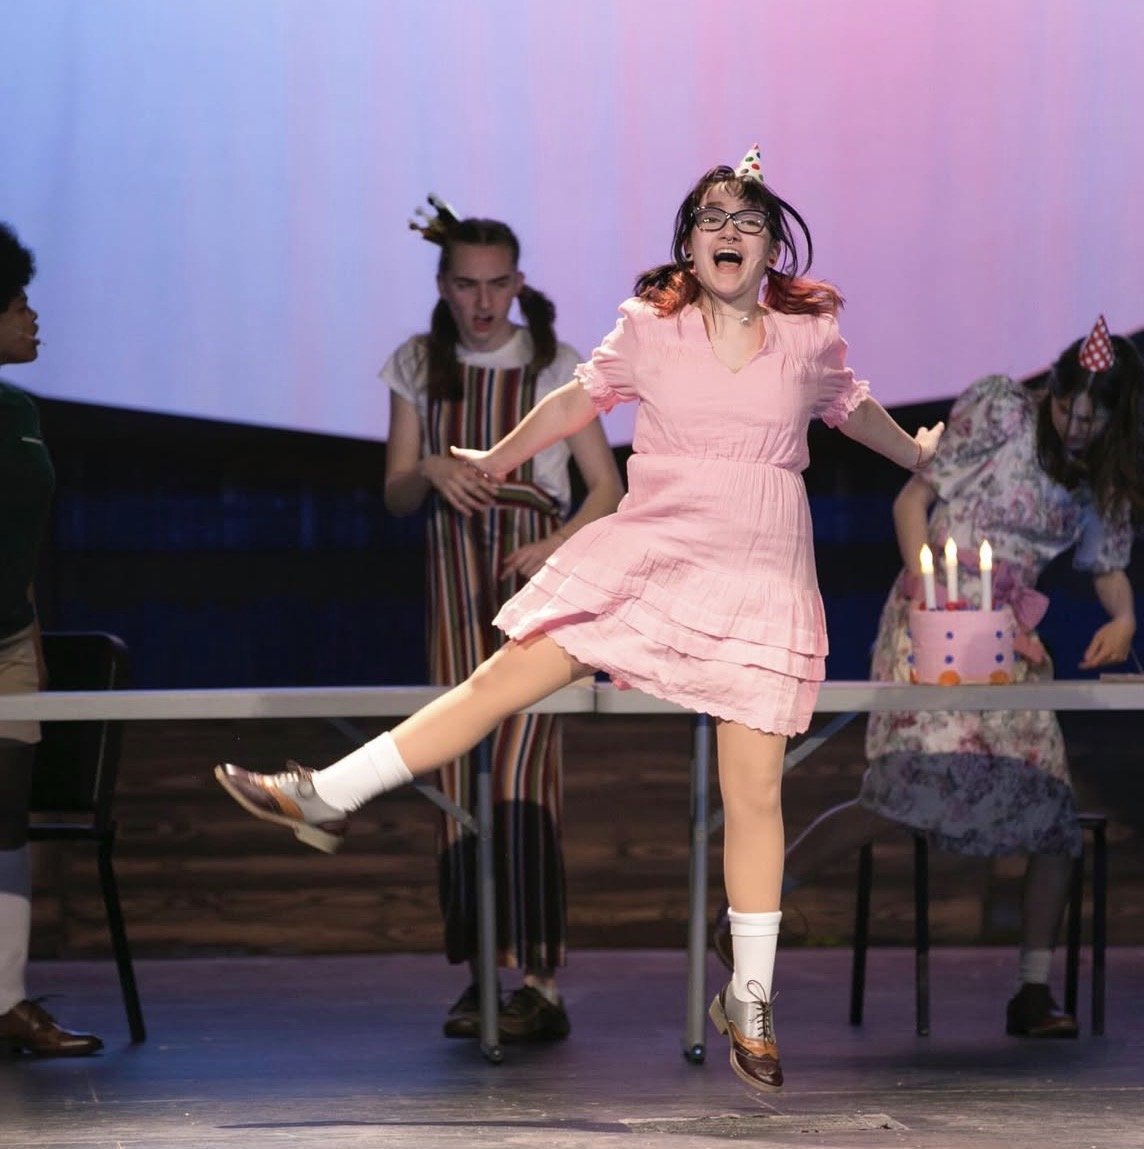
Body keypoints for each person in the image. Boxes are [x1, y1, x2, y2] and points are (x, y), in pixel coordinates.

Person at [215, 144, 943, 1093]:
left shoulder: (808, 337)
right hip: (652, 549)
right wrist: (501, 452)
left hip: (760, 566)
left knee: (754, 788)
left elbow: (851, 407)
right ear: (687, 244)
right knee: (501, 680)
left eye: (748, 220)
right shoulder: (652, 325)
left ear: (773, 249)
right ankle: (326, 794)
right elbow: (577, 397)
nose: (730, 230)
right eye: (712, 218)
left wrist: (917, 456)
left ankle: (751, 998)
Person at [782, 315, 1144, 1038]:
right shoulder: (1002, 411)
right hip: (933, 616)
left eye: (1092, 419)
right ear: (1054, 392)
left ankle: (1032, 989)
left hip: (1008, 639)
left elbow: (1106, 565)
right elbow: (912, 501)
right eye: (1069, 408)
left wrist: (1125, 618)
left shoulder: (1099, 476)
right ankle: (760, 904)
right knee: (897, 796)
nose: (1075, 426)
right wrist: (928, 590)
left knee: (1050, 810)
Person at [380, 204, 623, 1042]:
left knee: (522, 776)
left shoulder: (557, 363)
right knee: (457, 778)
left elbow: (608, 490)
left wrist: (554, 547)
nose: (483, 304)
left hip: (539, 579)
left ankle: (541, 979)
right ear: (443, 288)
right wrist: (435, 470)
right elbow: (396, 490)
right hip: (454, 579)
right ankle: (483, 972)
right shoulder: (418, 363)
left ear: (518, 284)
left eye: (496, 285)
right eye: (466, 286)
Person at [0, 222, 103, 1057]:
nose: (34, 317)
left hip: (9, 639)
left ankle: (6, 998)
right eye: (19, 302)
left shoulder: (21, 409)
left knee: (5, 819)